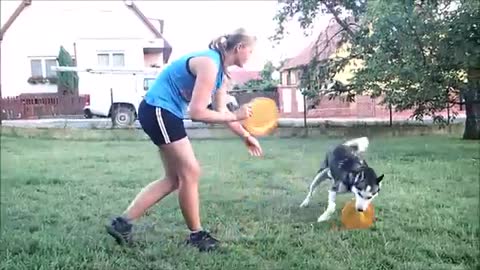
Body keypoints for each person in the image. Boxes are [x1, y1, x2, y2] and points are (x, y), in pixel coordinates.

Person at [105, 28, 263, 252]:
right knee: (191, 172)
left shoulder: (220, 74)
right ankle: (197, 235)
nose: (251, 55)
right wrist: (235, 115)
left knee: (174, 179)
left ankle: (122, 224)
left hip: (163, 112)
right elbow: (197, 112)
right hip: (159, 110)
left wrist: (246, 135)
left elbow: (220, 111)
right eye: (251, 50)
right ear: (240, 48)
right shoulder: (210, 64)